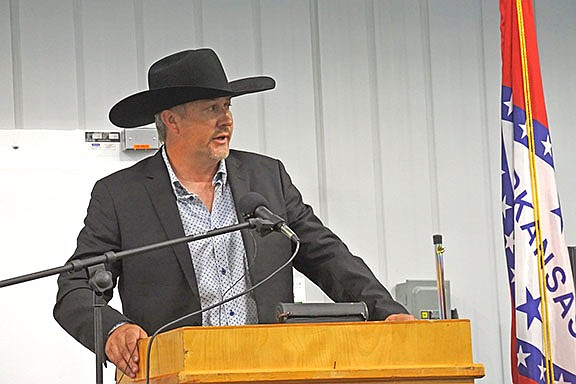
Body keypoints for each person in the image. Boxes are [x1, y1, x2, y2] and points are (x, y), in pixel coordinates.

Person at [54, 48, 414, 379]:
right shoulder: (121, 195)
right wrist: (114, 330)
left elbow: (326, 255)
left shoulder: (266, 177)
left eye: (227, 107)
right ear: (172, 120)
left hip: (267, 370)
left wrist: (385, 310)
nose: (226, 120)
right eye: (212, 109)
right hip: (173, 373)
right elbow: (76, 287)